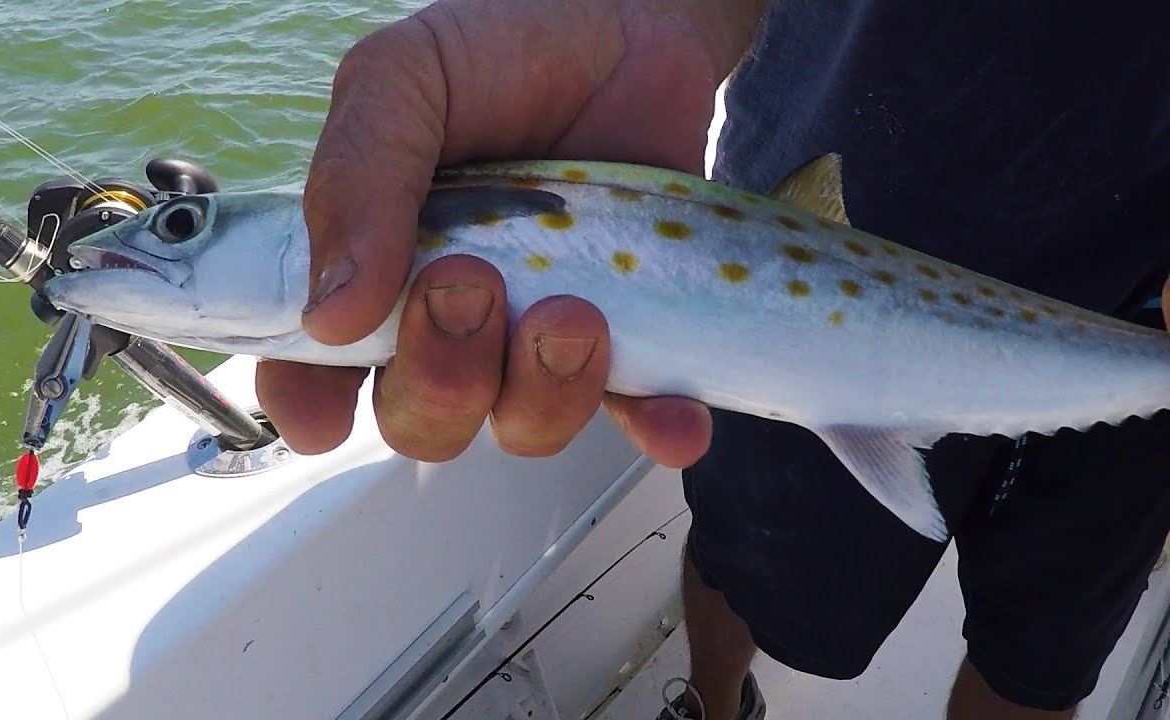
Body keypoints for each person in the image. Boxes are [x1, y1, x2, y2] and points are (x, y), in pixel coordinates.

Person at [255, 1, 1170, 718]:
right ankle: (715, 706)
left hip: (1141, 278)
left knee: (1042, 662)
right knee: (744, 560)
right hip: (767, 257)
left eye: (179, 222)